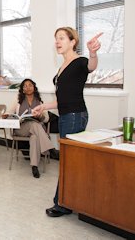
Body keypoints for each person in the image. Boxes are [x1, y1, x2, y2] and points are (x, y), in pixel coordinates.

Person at [32, 27, 102, 217]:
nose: (57, 41)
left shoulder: (79, 62)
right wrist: (44, 106)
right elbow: (63, 99)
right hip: (67, 114)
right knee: (71, 160)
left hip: (74, 116)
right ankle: (69, 200)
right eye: (56, 38)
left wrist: (93, 53)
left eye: (62, 38)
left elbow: (91, 66)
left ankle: (62, 203)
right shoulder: (62, 67)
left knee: (69, 161)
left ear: (73, 42)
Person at [6, 78, 54, 178]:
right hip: (21, 128)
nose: (28, 87)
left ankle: (34, 166)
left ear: (34, 87)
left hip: (36, 130)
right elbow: (9, 112)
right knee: (34, 125)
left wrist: (39, 116)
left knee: (35, 137)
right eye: (25, 86)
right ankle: (48, 148)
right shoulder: (18, 100)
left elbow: (46, 119)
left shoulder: (40, 102)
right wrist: (6, 115)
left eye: (30, 85)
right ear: (22, 89)